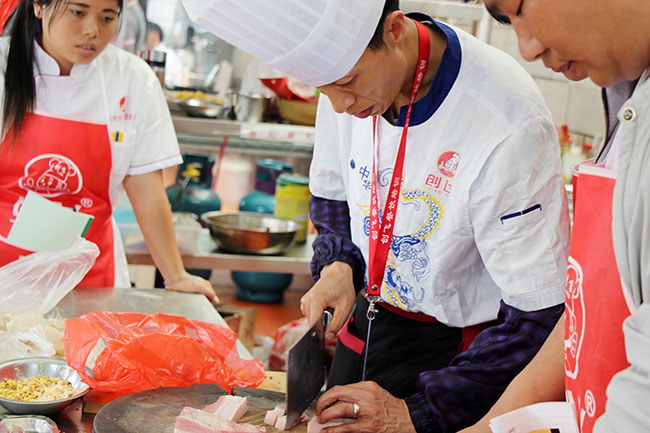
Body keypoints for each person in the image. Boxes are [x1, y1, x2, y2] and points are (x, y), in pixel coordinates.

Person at [180, 0, 568, 431]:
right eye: (324, 90)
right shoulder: (342, 83)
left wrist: (418, 412)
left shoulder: (507, 122)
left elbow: (538, 317)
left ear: (395, 30)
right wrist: (338, 265)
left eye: (347, 83)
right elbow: (332, 194)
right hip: (371, 318)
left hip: (462, 357)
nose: (340, 106)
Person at [460, 1, 650, 432]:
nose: (527, 49)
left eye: (519, 7)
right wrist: (488, 427)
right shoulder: (629, 96)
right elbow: (590, 305)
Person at [0, 0, 219, 304]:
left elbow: (147, 189)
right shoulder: (3, 65)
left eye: (106, 18)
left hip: (91, 278)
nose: (92, 30)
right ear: (39, 6)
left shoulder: (132, 79)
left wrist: (176, 276)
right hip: (5, 271)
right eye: (78, 13)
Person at [145, 21, 183, 87]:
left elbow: (163, 81)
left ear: (155, 34)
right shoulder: (150, 53)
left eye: (145, 33)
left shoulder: (167, 55)